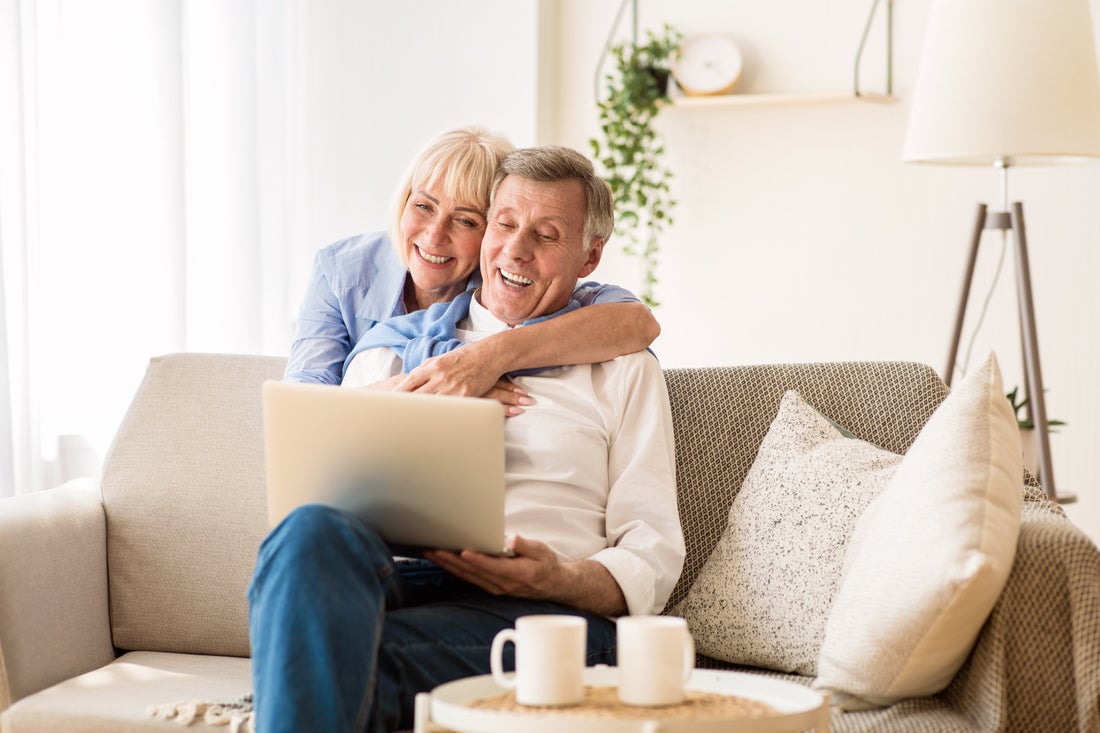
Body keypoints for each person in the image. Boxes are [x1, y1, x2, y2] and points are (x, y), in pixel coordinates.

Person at [248, 145, 685, 733]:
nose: (517, 249)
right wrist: (422, 395)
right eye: (504, 224)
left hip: (545, 614)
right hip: (403, 581)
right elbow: (316, 487)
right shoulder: (389, 350)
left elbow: (651, 552)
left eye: (547, 234)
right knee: (307, 534)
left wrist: (558, 578)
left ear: (590, 257)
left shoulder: (624, 368)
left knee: (315, 650)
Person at [283, 125, 660, 414]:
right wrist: (430, 390)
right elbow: (301, 410)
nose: (434, 236)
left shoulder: (511, 285)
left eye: (465, 221)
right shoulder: (343, 271)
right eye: (423, 207)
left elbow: (637, 323)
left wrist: (488, 356)